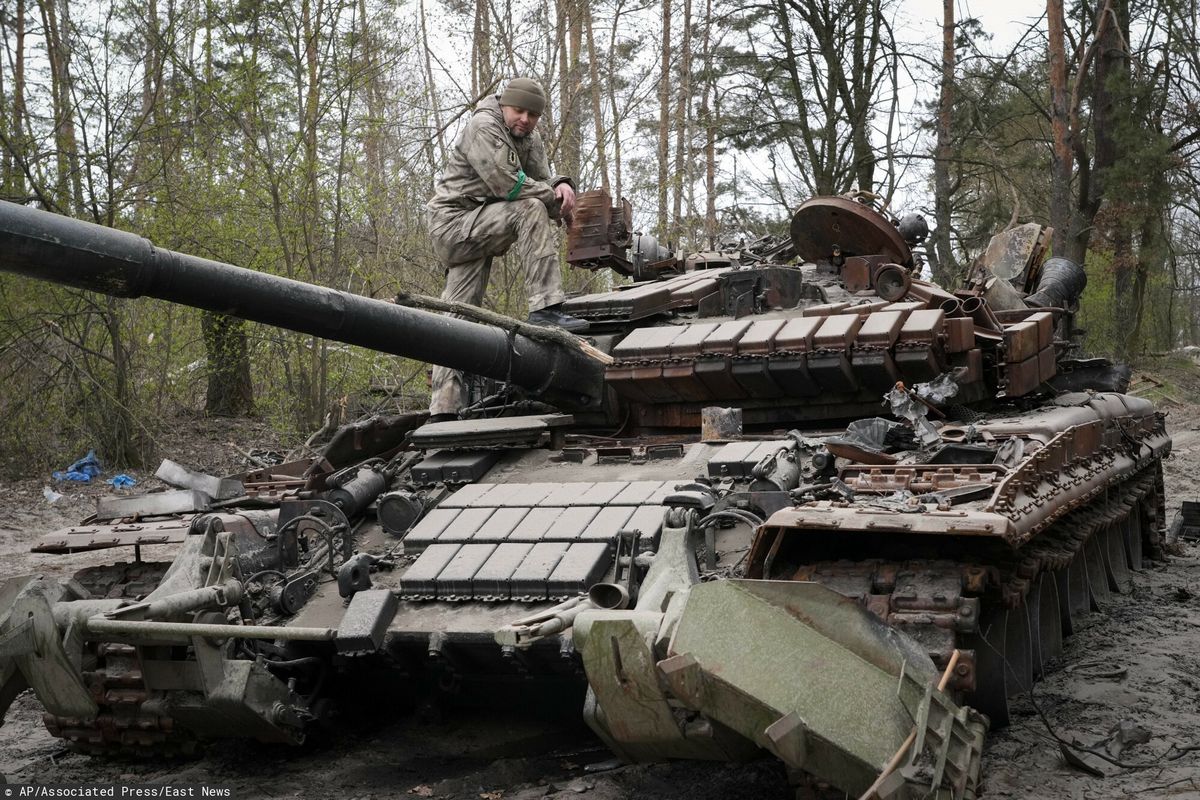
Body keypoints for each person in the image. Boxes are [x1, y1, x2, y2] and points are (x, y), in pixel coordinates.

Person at [425, 76, 587, 421]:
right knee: (527, 209)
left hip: (480, 224)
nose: (525, 120)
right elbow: (508, 186)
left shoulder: (528, 136)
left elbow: (541, 179)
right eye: (519, 111)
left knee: (456, 315)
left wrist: (561, 185)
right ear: (504, 105)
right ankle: (545, 306)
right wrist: (552, 199)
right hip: (453, 224)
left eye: (533, 114)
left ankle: (444, 406)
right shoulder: (483, 126)